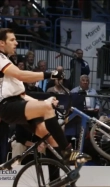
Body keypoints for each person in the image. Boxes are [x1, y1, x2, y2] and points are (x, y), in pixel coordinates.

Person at [0, 28, 90, 168]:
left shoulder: (8, 61)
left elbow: (22, 96)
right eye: (12, 40)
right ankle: (67, 152)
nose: (16, 43)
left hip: (17, 104)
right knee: (47, 109)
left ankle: (54, 184)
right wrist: (50, 74)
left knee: (49, 136)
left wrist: (43, 102)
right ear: (1, 43)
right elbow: (21, 75)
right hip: (7, 107)